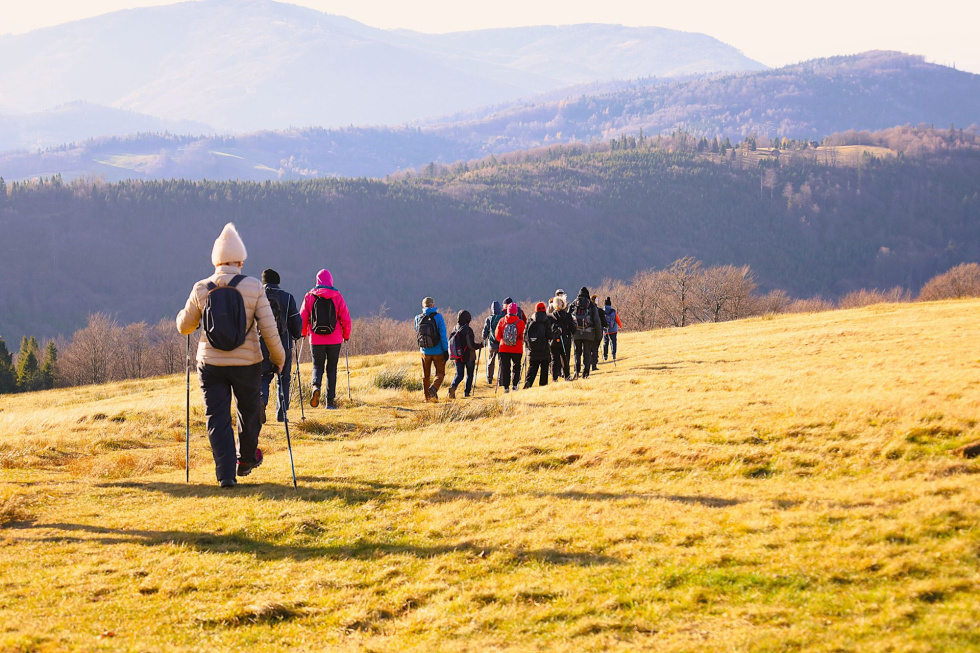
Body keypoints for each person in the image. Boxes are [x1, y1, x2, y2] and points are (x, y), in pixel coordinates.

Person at [176, 223, 285, 488]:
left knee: (217, 417)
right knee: (248, 412)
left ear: (216, 260)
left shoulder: (201, 287)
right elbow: (268, 329)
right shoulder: (253, 287)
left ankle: (225, 474)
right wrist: (279, 359)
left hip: (211, 363)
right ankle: (246, 458)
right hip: (247, 362)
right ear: (240, 259)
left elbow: (185, 327)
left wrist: (186, 314)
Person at [300, 269, 352, 410]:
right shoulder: (337, 296)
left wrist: (303, 333)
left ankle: (316, 387)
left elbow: (303, 317)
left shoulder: (309, 296)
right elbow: (345, 318)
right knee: (332, 369)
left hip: (316, 340)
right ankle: (330, 402)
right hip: (335, 340)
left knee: (317, 366)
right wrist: (346, 335)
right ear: (331, 280)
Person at [259, 269, 302, 423]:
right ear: (278, 281)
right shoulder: (288, 298)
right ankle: (281, 413)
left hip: (262, 344)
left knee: (263, 376)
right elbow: (296, 322)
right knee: (283, 379)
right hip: (283, 344)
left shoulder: (257, 297)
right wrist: (297, 335)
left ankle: (262, 401)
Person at [415, 297, 450, 402]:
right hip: (438, 351)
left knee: (426, 375)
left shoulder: (418, 317)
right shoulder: (438, 317)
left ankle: (427, 398)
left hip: (424, 351)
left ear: (423, 306)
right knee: (440, 374)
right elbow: (443, 335)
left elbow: (417, 331)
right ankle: (433, 388)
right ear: (433, 305)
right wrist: (445, 349)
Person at [448, 310, 484, 399]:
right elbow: (471, 346)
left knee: (459, 374)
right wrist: (479, 346)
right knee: (469, 374)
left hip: (457, 356)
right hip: (468, 357)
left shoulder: (455, 328)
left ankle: (453, 387)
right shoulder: (467, 329)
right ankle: (466, 392)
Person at [569, 287, 601, 379]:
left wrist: (570, 331)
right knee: (587, 353)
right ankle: (586, 372)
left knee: (577, 352)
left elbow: (568, 317)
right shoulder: (591, 305)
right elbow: (597, 321)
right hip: (589, 333)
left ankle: (576, 371)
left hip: (576, 332)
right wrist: (598, 336)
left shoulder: (574, 304)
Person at [494, 302, 525, 392]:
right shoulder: (520, 322)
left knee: (505, 367)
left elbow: (497, 335)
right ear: (516, 312)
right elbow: (522, 337)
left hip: (504, 348)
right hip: (517, 349)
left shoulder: (502, 321)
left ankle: (506, 387)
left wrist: (503, 341)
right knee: (516, 367)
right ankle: (515, 385)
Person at [523, 302, 555, 388]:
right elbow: (549, 335)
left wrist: (527, 345)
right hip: (544, 349)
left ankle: (528, 382)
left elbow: (525, 334)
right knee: (544, 368)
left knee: (533, 367)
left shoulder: (531, 319)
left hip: (532, 350)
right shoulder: (546, 320)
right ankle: (543, 386)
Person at [549, 295, 575, 381]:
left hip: (554, 341)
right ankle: (567, 375)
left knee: (554, 359)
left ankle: (554, 378)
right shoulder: (568, 316)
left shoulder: (551, 316)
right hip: (565, 340)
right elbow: (573, 329)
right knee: (565, 358)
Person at [481, 300, 504, 385]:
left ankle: (489, 379)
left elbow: (485, 332)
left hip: (492, 344)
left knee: (491, 361)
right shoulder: (503, 317)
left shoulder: (489, 319)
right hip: (501, 343)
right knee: (501, 362)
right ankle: (500, 381)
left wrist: (484, 337)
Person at [603, 297, 624, 361]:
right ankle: (613, 354)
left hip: (605, 330)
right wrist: (621, 326)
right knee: (613, 342)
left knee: (605, 343)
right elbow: (617, 320)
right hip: (613, 330)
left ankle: (605, 356)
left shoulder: (602, 312)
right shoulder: (613, 311)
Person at [591, 294, 607, 371]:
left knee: (588, 349)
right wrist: (606, 326)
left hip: (588, 332)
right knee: (595, 348)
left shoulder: (588, 310)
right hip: (597, 332)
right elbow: (604, 321)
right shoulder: (599, 311)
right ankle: (594, 365)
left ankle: (587, 364)